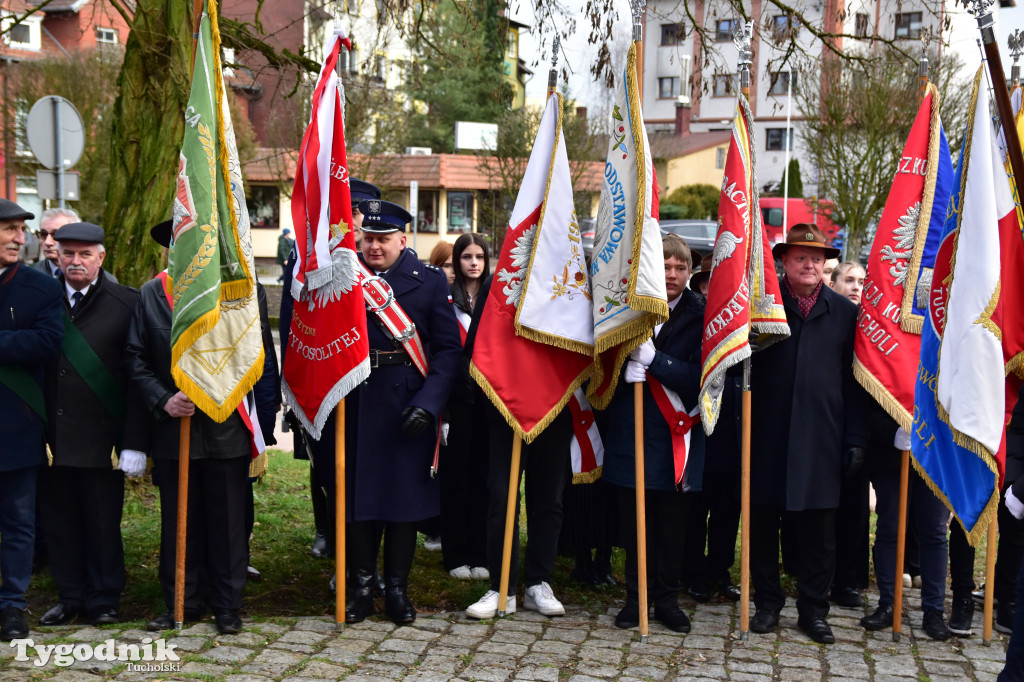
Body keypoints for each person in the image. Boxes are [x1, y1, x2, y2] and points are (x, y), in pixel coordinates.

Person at [126, 220, 276, 635]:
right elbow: (135, 358)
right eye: (180, 242)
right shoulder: (152, 294)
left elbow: (260, 359)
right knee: (179, 524)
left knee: (228, 526)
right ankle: (183, 602)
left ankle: (228, 606)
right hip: (176, 432)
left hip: (227, 428)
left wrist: (263, 424)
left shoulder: (242, 293)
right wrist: (163, 398)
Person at [344, 199, 461, 625]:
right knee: (359, 501)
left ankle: (396, 589)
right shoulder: (346, 276)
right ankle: (361, 586)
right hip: (357, 400)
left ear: (402, 240)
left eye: (383, 240)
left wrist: (429, 405)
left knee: (402, 505)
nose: (374, 247)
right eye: (368, 238)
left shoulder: (427, 282)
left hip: (406, 406)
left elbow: (448, 352)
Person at [748, 224, 866, 644]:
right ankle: (766, 603)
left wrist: (855, 438)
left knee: (820, 532)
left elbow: (855, 383)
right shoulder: (762, 306)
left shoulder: (847, 314)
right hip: (766, 436)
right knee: (763, 523)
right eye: (801, 256)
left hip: (822, 439)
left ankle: (814, 610)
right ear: (783, 260)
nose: (811, 263)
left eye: (817, 257)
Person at [38, 223, 148, 628]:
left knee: (102, 522)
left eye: (85, 254)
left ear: (102, 258)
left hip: (104, 439)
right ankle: (69, 595)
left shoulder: (127, 302)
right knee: (59, 522)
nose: (75, 261)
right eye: (68, 253)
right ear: (58, 256)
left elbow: (138, 377)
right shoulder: (42, 299)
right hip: (52, 438)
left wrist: (135, 441)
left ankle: (103, 597)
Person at [602, 234, 706, 633]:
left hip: (677, 440)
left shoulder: (701, 314)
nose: (674, 274)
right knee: (635, 526)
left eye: (681, 268)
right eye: (665, 267)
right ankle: (635, 599)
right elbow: (599, 369)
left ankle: (666, 599)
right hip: (632, 436)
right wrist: (619, 373)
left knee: (671, 528)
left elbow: (704, 376)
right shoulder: (627, 312)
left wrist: (656, 361)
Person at [280, 178, 381, 561]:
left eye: (358, 213)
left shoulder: (377, 255)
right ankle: (328, 530)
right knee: (323, 461)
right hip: (322, 371)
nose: (353, 220)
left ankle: (363, 547)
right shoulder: (311, 254)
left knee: (364, 466)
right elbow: (293, 318)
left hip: (369, 381)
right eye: (348, 211)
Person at [464, 272, 573, 621]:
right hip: (507, 408)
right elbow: (477, 346)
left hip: (555, 405)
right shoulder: (502, 281)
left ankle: (538, 583)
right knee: (501, 497)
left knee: (548, 499)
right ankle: (502, 587)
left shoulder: (568, 273)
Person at [0, 198, 64, 641]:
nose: (19, 239)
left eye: (22, 231)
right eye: (10, 231)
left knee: (19, 522)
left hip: (16, 426)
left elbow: (46, 342)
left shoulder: (40, 290)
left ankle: (11, 606)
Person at [440, 233, 490, 580]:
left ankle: (481, 551)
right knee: (455, 480)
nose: (474, 263)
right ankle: (455, 553)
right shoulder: (444, 301)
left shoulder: (495, 301)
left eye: (480, 257)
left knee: (484, 481)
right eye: (467, 256)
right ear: (457, 261)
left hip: (487, 404)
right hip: (455, 403)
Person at [829, 259, 871, 610]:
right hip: (824, 427)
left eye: (862, 281)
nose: (856, 286)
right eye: (849, 279)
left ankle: (849, 577)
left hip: (858, 428)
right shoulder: (831, 318)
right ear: (835, 283)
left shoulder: (871, 327)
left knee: (854, 511)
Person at [33, 208, 79, 278]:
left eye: (56, 234)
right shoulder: (30, 275)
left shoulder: (94, 276)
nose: (47, 242)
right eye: (43, 234)